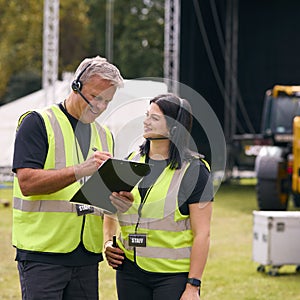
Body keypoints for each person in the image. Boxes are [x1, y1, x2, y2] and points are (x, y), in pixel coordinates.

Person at [12, 55, 134, 300]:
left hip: (86, 255)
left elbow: (102, 200)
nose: (99, 106)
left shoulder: (105, 135)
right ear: (76, 86)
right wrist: (80, 169)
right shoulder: (37, 123)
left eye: (107, 101)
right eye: (95, 97)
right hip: (43, 253)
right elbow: (27, 183)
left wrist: (120, 199)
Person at [104, 93, 214, 300]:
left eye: (154, 118)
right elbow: (110, 207)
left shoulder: (195, 172)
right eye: (147, 115)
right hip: (129, 272)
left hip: (172, 276)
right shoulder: (130, 161)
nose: (145, 121)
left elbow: (203, 234)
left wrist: (193, 286)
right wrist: (108, 243)